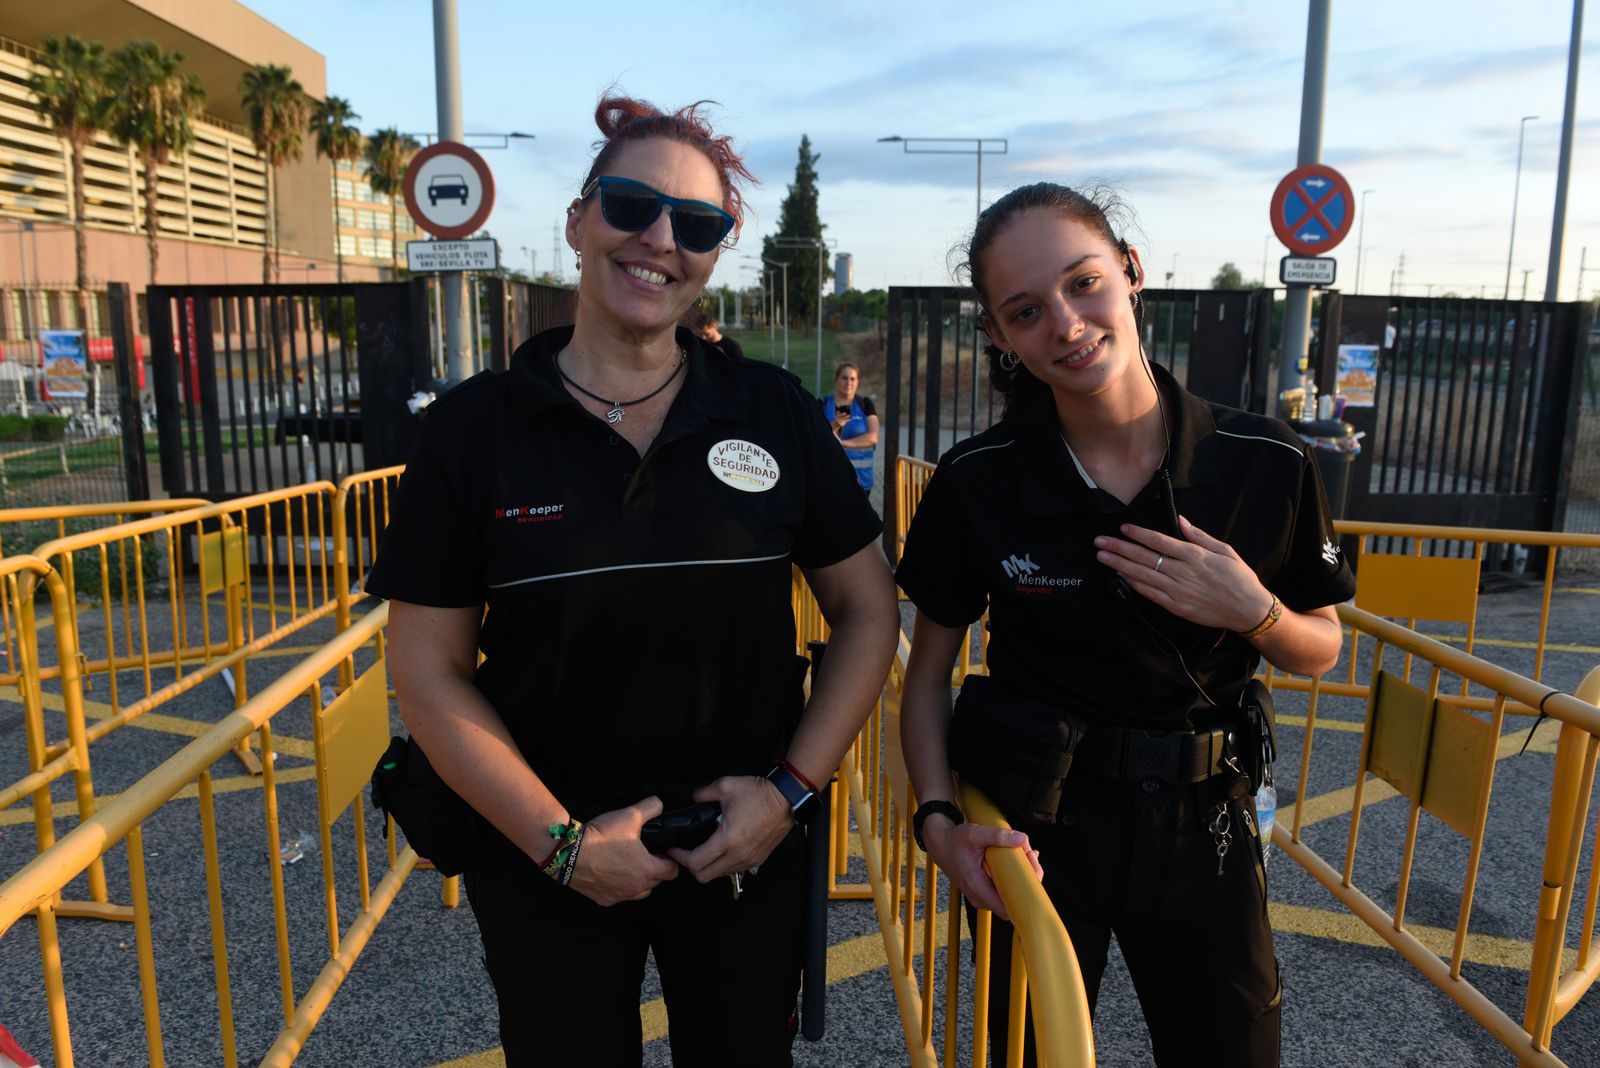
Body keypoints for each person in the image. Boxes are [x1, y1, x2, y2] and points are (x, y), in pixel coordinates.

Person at [365, 94, 898, 1067]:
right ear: (578, 220)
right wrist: (559, 844)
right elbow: (428, 669)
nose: (660, 239)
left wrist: (786, 792)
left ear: (715, 251)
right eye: (630, 205)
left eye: (697, 224)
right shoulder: (473, 431)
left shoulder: (771, 410)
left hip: (741, 844)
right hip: (545, 852)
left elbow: (868, 610)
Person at [895, 183, 1354, 1067]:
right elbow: (926, 676)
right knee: (1026, 1053)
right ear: (998, 336)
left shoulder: (1266, 461)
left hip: (1206, 824)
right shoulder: (978, 480)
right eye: (1026, 312)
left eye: (1083, 283)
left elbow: (1323, 649)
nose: (1065, 325)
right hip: (1036, 829)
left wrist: (1251, 609)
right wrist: (940, 822)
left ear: (1132, 273)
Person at [820, 362, 878, 492]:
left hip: (861, 481)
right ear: (836, 380)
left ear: (858, 382)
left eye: (853, 379)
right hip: (829, 479)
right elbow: (816, 436)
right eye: (844, 378)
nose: (849, 382)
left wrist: (843, 443)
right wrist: (834, 426)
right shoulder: (822, 404)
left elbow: (873, 437)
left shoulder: (865, 405)